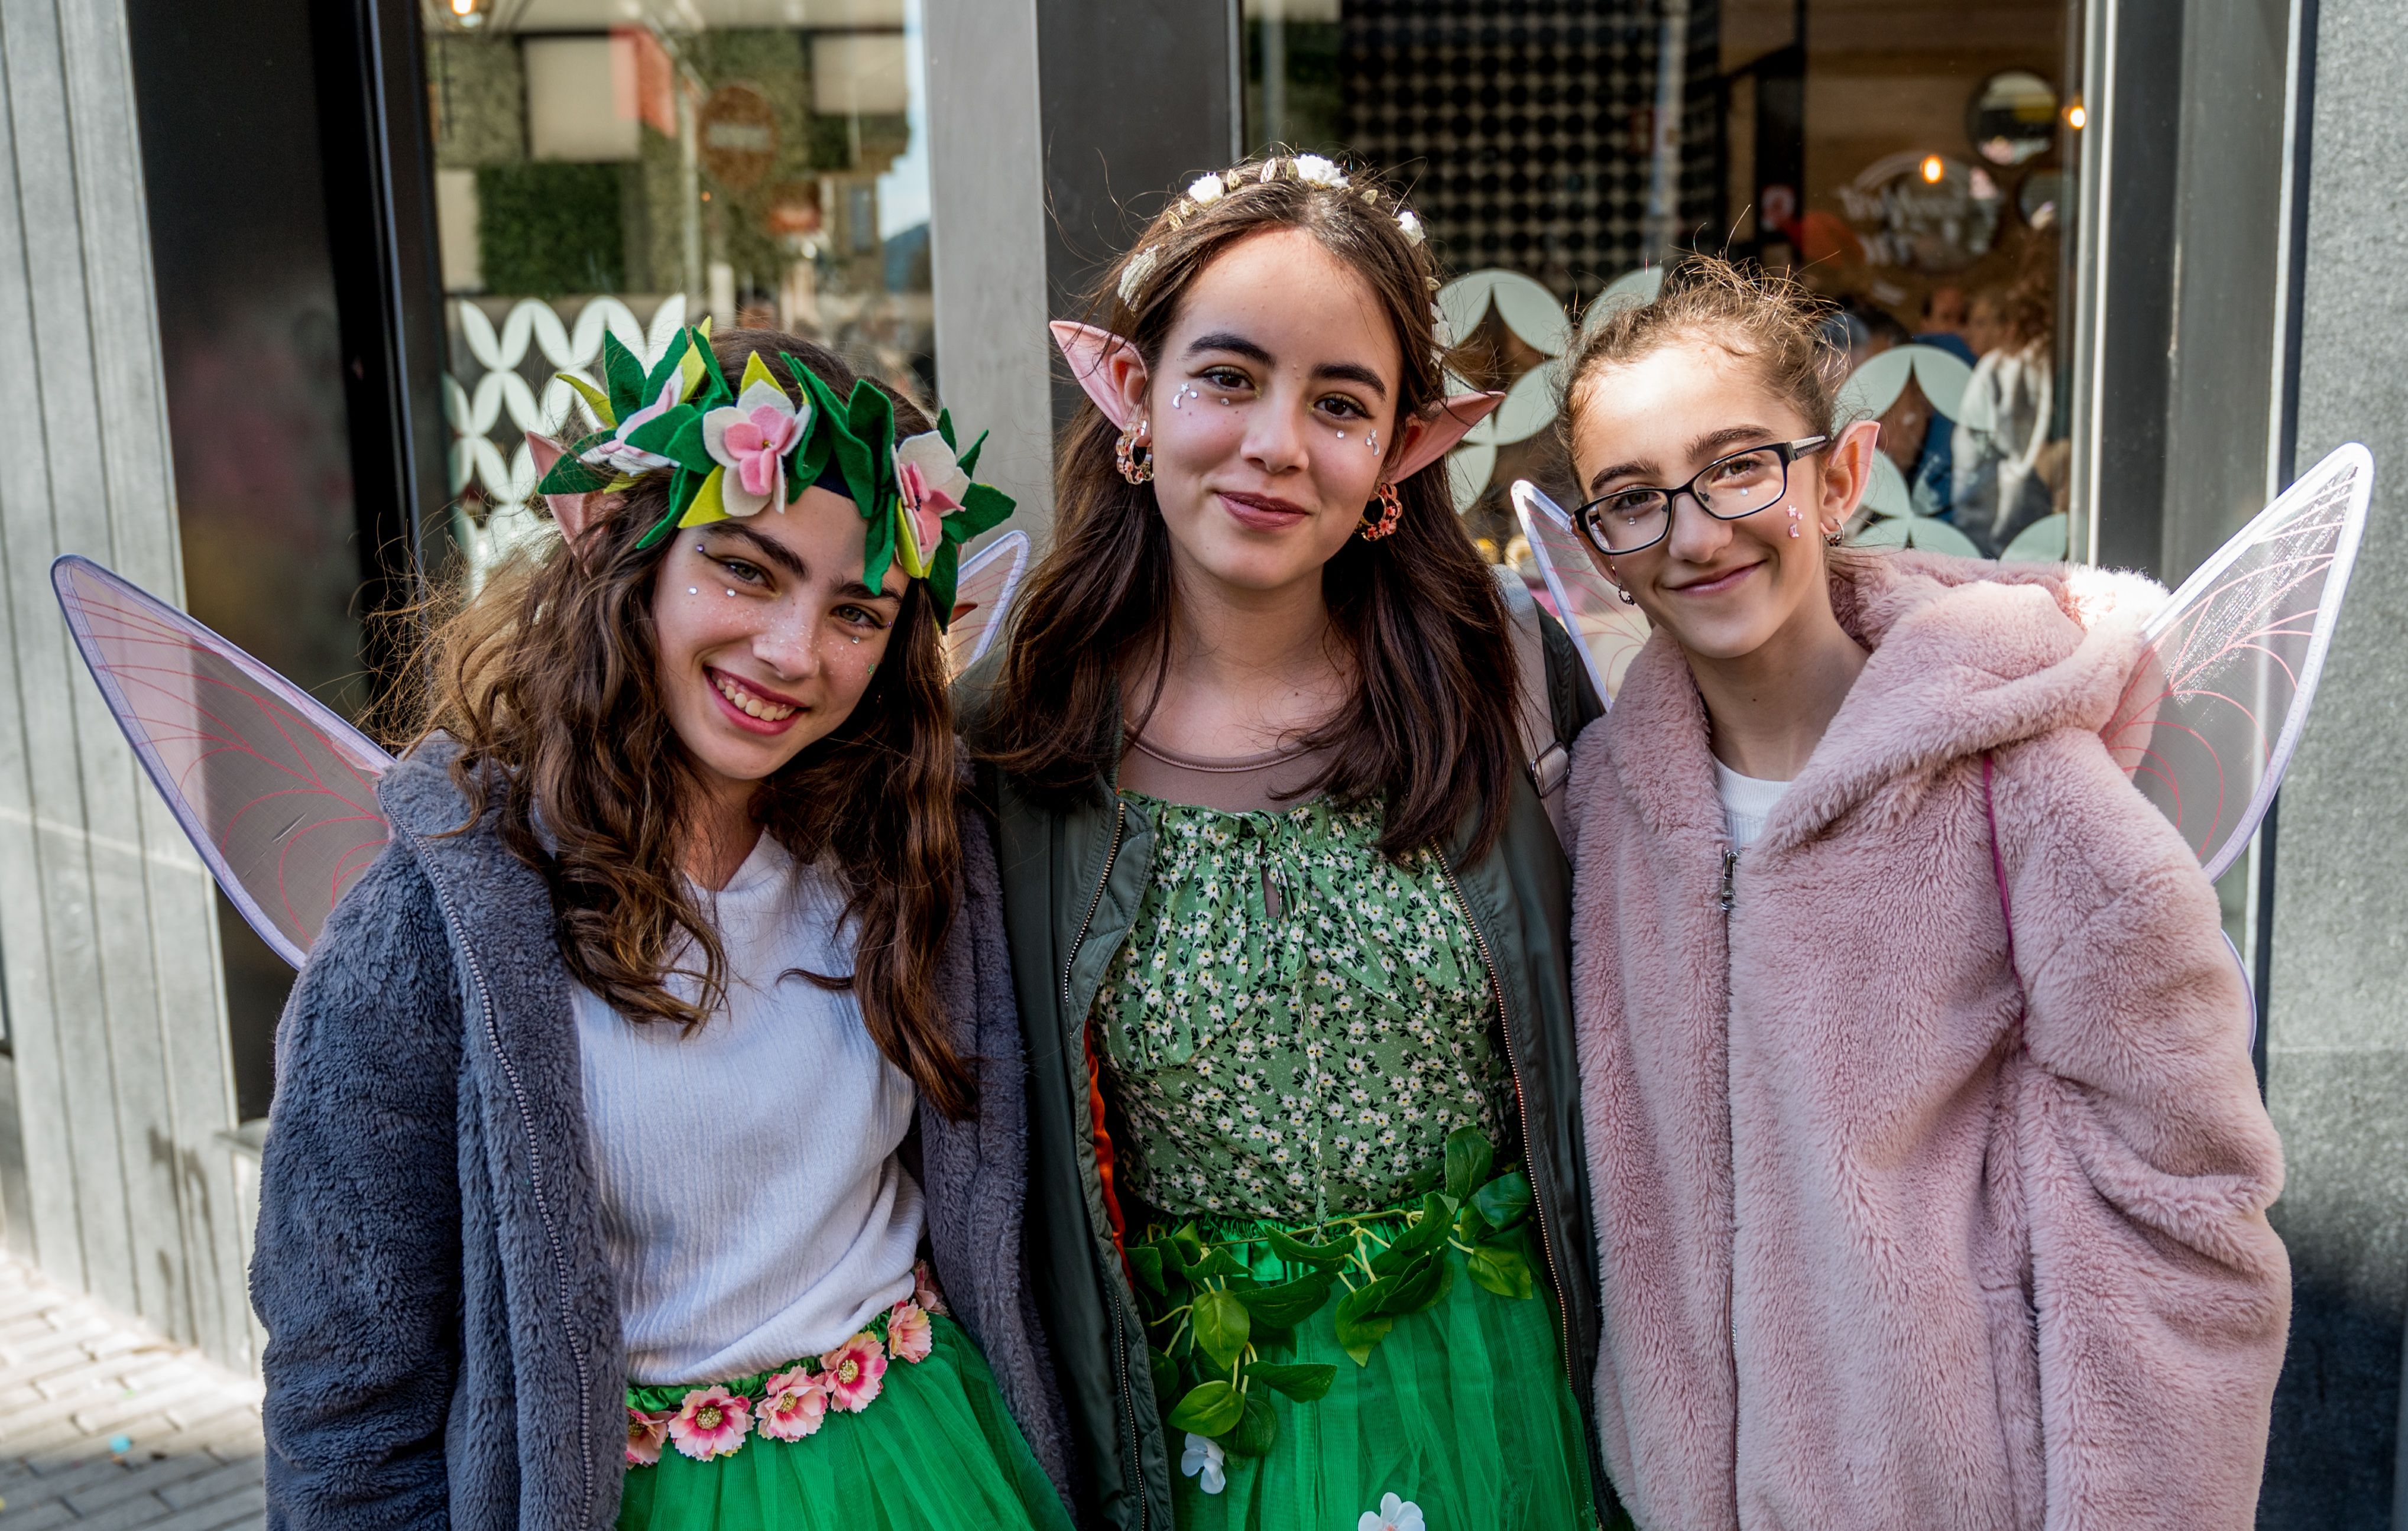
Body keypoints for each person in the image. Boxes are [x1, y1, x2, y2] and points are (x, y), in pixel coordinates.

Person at [250, 327, 1077, 1531]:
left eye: (857, 609)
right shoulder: (433, 930)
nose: (793, 651)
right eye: (746, 570)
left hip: (932, 1467)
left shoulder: (908, 854)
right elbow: (348, 1395)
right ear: (627, 556)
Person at [1552, 256, 2290, 1529]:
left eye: (1738, 465)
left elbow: (2190, 1205)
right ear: (1602, 546)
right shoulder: (1610, 812)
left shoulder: (2032, 793)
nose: (1693, 530)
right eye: (1632, 496)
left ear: (1838, 475)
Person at [960, 154, 1614, 1531]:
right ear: (1134, 393)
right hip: (1200, 1429)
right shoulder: (1018, 737)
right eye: (1228, 376)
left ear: (1400, 452)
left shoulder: (1502, 677)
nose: (1274, 444)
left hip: (1502, 1400)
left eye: (1340, 404)